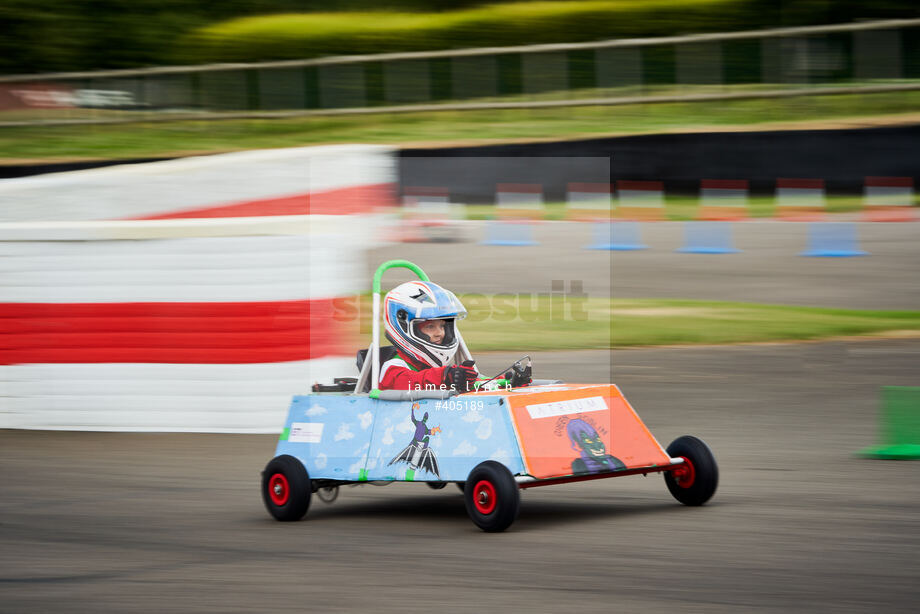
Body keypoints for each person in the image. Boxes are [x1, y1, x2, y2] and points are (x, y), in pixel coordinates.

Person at [378, 280, 479, 392]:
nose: (439, 333)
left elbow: (477, 383)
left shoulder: (432, 368)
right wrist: (447, 376)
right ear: (405, 327)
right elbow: (411, 382)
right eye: (430, 327)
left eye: (442, 326)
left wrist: (499, 382)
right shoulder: (392, 368)